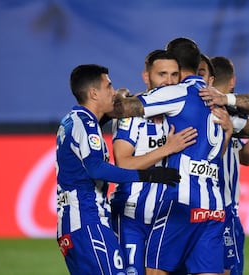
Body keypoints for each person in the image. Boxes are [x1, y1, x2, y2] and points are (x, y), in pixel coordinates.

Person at [55, 64, 181, 275]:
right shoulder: (85, 123)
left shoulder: (75, 120)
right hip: (87, 221)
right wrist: (148, 174)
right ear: (94, 93)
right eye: (108, 86)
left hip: (74, 224)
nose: (113, 92)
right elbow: (97, 169)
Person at [110, 50, 198, 275]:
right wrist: (167, 149)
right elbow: (122, 163)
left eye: (174, 75)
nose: (169, 81)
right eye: (162, 74)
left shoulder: (180, 112)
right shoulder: (133, 114)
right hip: (133, 216)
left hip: (170, 218)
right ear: (146, 77)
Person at [210, 56, 249, 275]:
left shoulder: (232, 115)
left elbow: (245, 158)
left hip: (217, 208)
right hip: (222, 208)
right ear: (232, 80)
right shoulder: (224, 113)